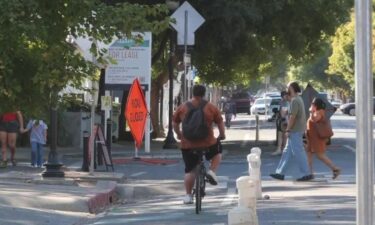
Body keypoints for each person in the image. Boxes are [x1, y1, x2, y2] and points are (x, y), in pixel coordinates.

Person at [173, 84, 226, 204]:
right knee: (217, 153)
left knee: (190, 170)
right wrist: (222, 135)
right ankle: (211, 171)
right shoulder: (211, 107)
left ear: (193, 93)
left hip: (188, 144)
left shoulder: (183, 107)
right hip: (207, 142)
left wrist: (179, 134)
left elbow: (175, 123)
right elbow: (220, 122)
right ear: (204, 93)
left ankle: (188, 196)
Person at [270, 82, 313, 181]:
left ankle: (306, 173)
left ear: (292, 88)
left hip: (295, 130)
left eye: (288, 87)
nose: (287, 88)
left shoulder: (295, 101)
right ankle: (280, 172)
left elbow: (293, 118)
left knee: (299, 152)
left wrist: (288, 129)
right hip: (297, 129)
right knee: (287, 152)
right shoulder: (299, 99)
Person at [306, 98, 340, 179]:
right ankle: (309, 173)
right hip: (311, 138)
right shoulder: (316, 111)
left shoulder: (320, 112)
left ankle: (335, 169)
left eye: (313, 104)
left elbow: (314, 119)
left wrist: (311, 111)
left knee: (320, 155)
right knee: (309, 155)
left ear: (316, 105)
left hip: (317, 139)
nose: (311, 106)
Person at [272, 91, 289, 156]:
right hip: (284, 120)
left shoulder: (285, 102)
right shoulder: (283, 102)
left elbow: (283, 112)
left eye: (286, 95)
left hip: (284, 120)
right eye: (284, 95)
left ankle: (281, 149)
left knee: (283, 135)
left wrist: (283, 119)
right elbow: (282, 111)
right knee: (282, 135)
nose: (285, 97)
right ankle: (281, 149)